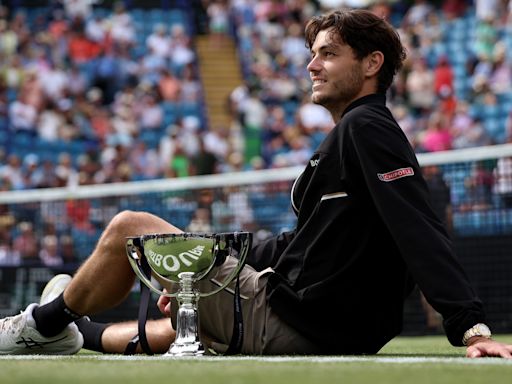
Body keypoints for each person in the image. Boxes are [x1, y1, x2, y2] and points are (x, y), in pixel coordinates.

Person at [1, 9, 512, 358]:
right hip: (321, 326)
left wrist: (469, 324)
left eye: (329, 54)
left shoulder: (366, 126)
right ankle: (82, 335)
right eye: (313, 53)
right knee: (180, 326)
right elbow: (300, 244)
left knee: (129, 226)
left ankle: (40, 325)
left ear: (372, 63)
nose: (312, 65)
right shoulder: (357, 135)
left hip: (303, 322)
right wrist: (211, 254)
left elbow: (418, 226)